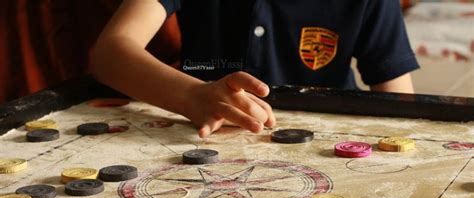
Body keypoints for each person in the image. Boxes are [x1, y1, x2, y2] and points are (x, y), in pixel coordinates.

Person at [90, 0, 419, 138]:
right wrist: (191, 96)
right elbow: (109, 52)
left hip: (329, 145)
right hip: (207, 140)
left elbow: (397, 106)